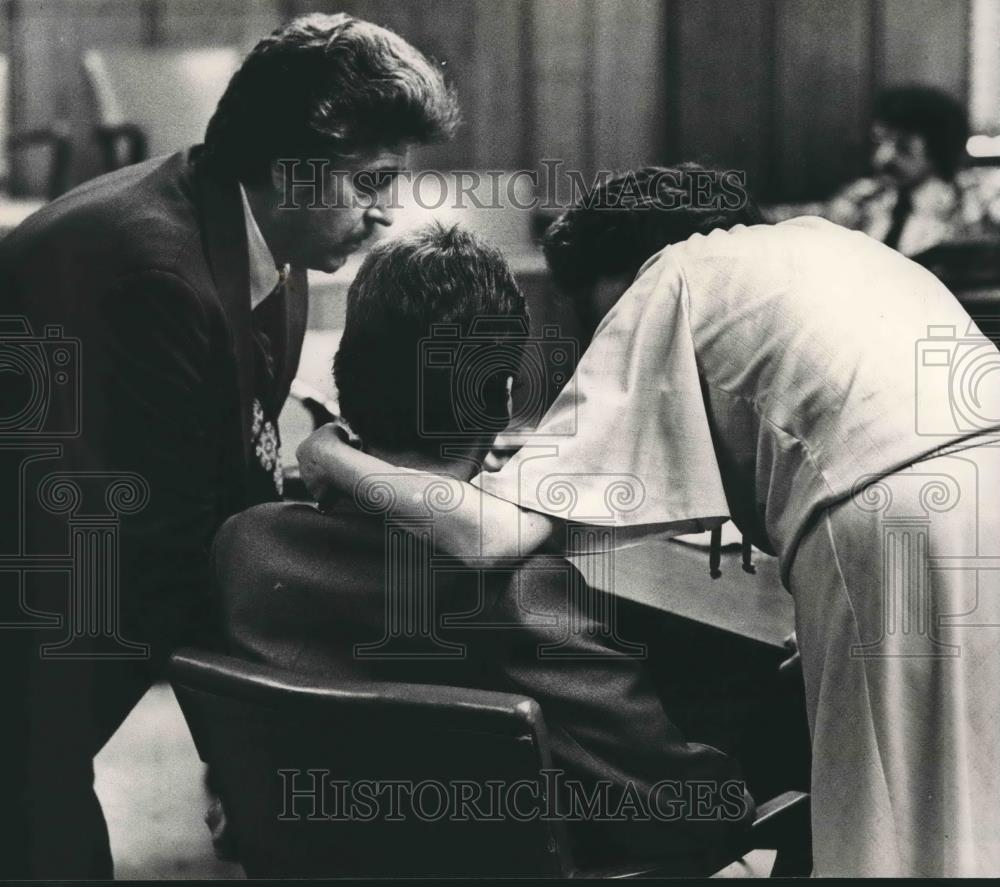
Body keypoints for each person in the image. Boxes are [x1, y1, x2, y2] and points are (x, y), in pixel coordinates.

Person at [298, 165, 1000, 876]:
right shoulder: (826, 250)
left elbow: (487, 537)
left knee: (890, 839)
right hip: (961, 508)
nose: (611, 347)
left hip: (894, 533)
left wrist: (328, 454)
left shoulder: (674, 275)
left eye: (607, 323)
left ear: (632, 272)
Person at [0, 13, 457, 878]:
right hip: (46, 595)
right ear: (289, 167)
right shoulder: (151, 273)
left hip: (90, 578)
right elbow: (176, 540)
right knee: (35, 808)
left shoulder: (263, 245)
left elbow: (218, 486)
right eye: (371, 181)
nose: (387, 211)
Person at [214, 223, 753, 874]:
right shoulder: (519, 589)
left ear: (344, 380)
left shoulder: (245, 548)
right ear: (500, 400)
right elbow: (678, 810)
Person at [770, 85, 1000, 256]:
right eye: (879, 143)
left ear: (939, 149)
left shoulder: (975, 202)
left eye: (903, 147)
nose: (882, 158)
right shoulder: (864, 198)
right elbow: (805, 220)